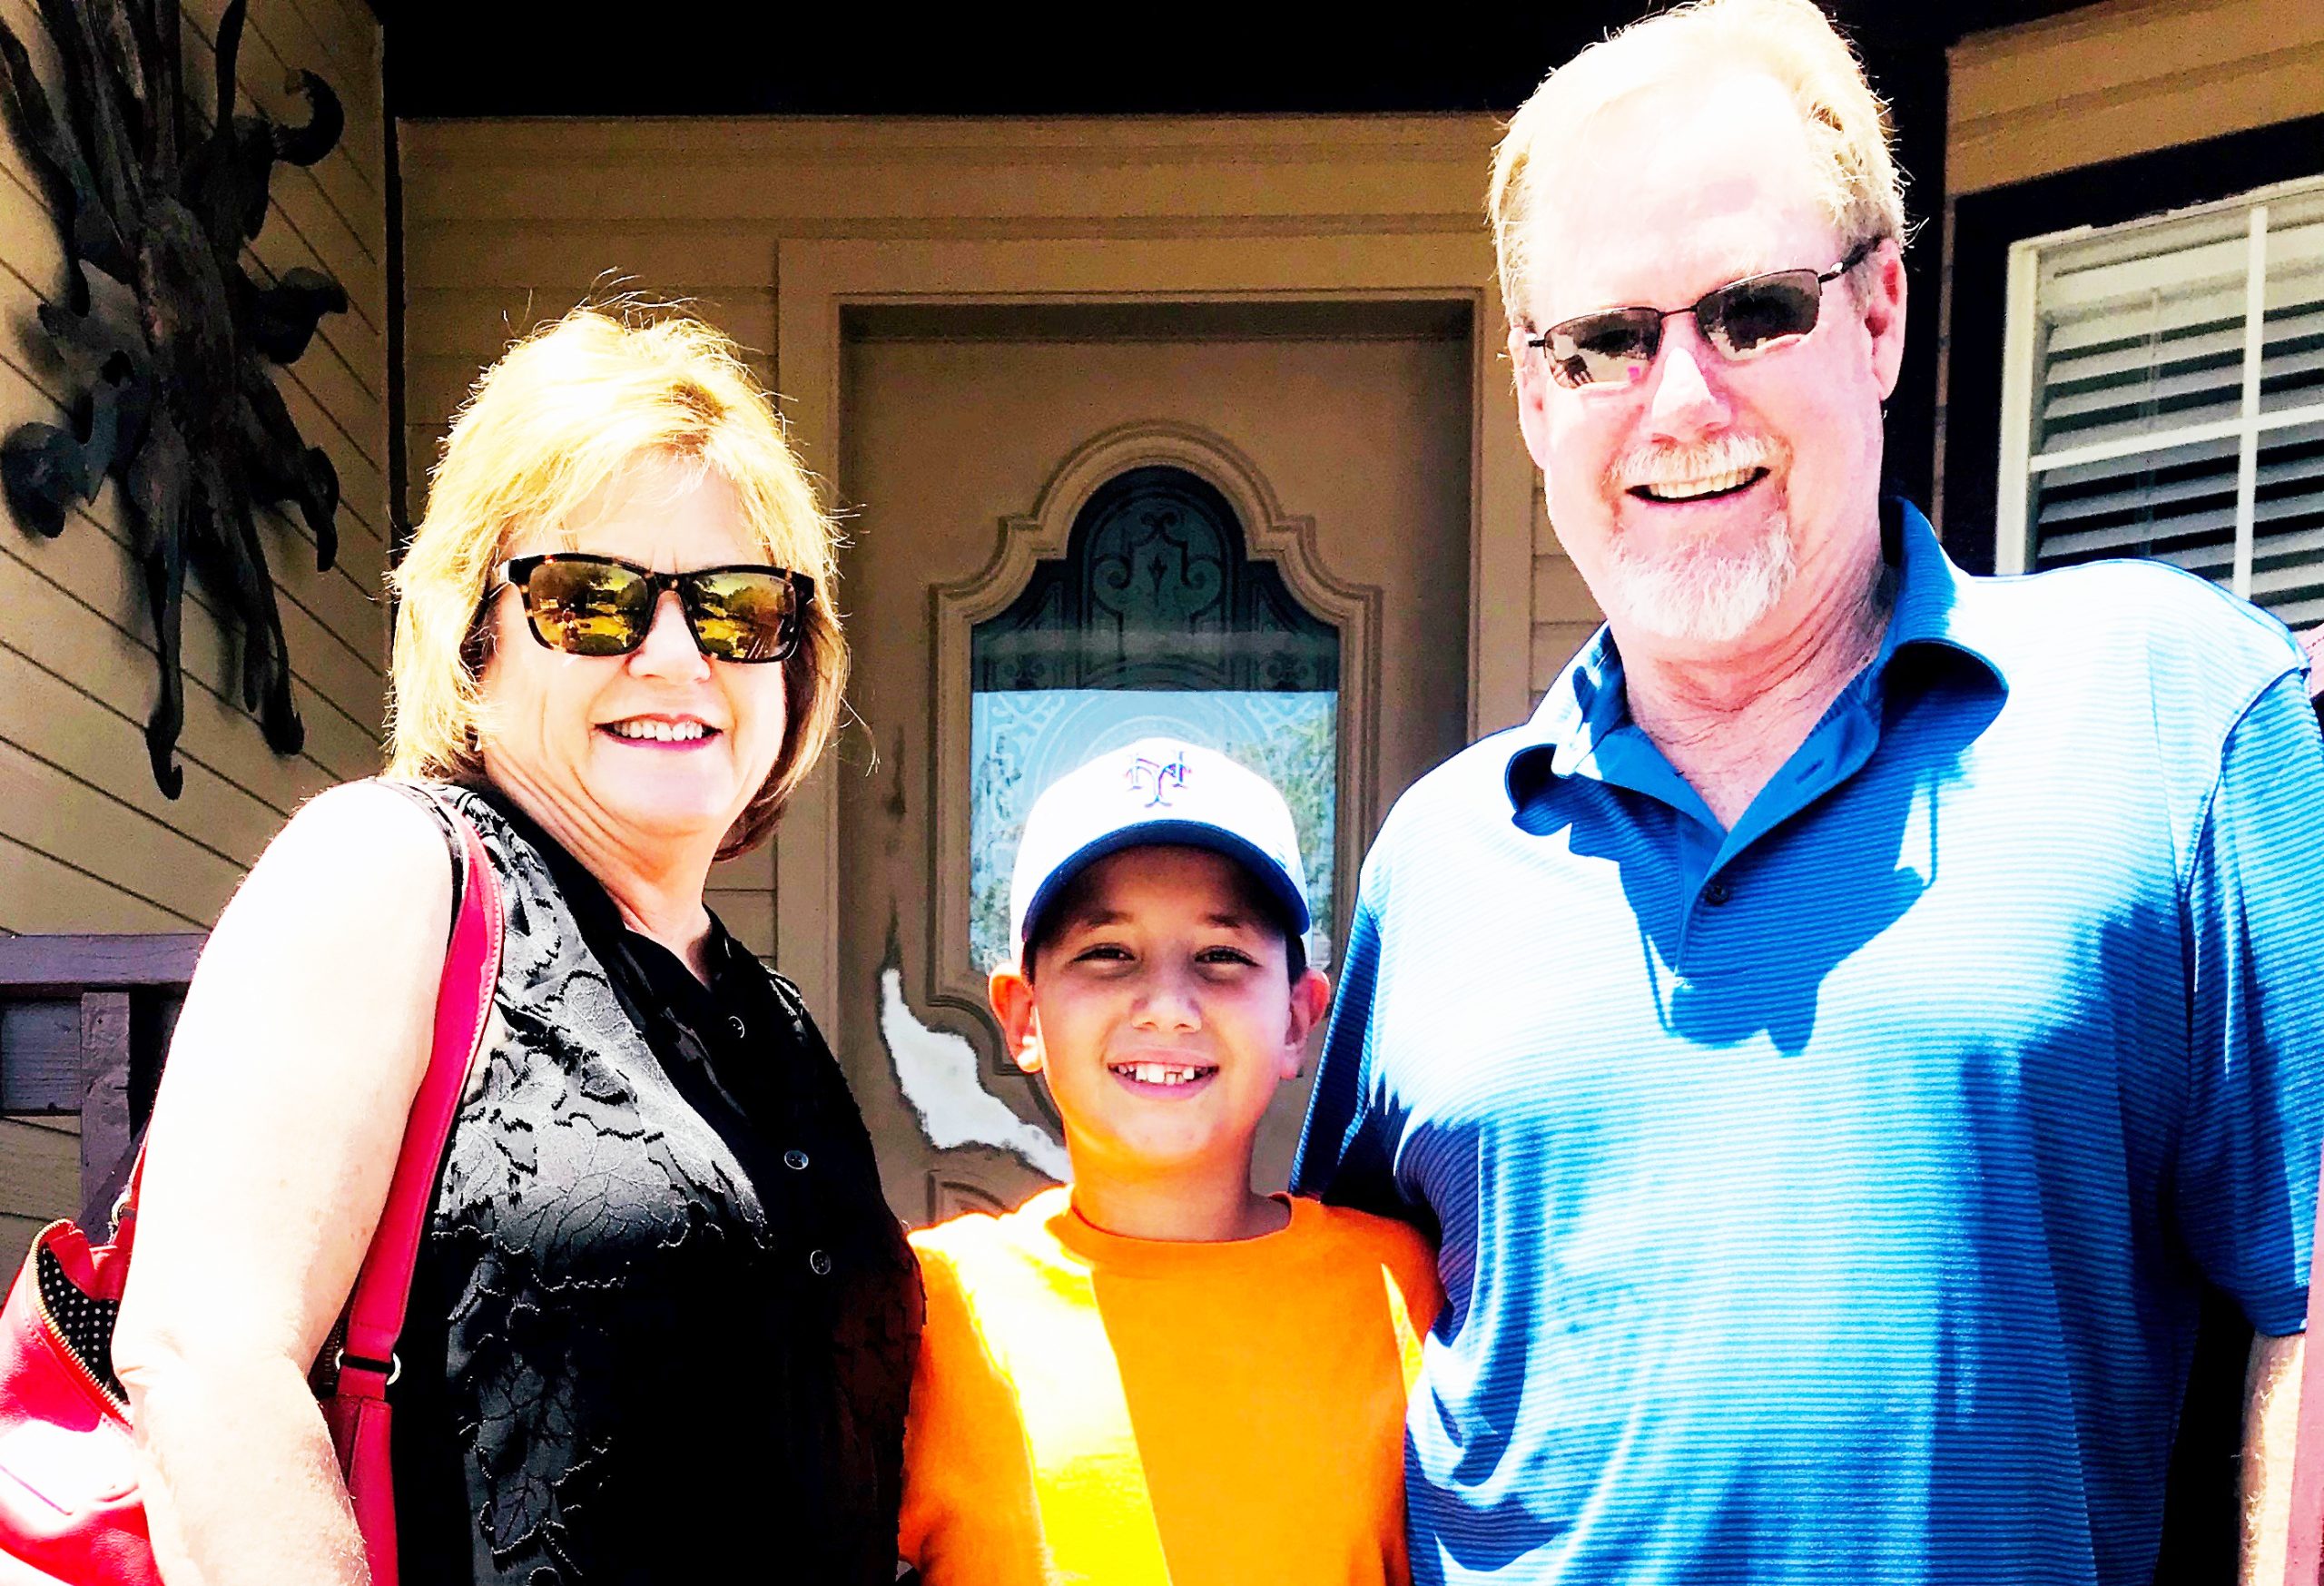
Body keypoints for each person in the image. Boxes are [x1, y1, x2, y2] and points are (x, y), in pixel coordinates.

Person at [1293, 3, 2324, 1583]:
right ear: (1535, 398)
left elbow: (2309, 1319)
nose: (1680, 401)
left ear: (1883, 313)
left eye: (1755, 312)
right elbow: (1324, 1364)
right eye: (1604, 342)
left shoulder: (2175, 715)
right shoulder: (1436, 865)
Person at [109, 307, 921, 1584]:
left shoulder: (765, 1021)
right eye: (589, 600)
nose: (675, 656)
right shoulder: (387, 873)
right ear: (474, 637)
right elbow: (208, 1359)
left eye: (736, 608)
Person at [900, 738, 1441, 1586]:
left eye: (1222, 956)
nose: (1166, 1006)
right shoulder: (930, 1305)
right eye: (1107, 953)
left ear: (1298, 1018)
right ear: (1024, 1014)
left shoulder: (1400, 1289)